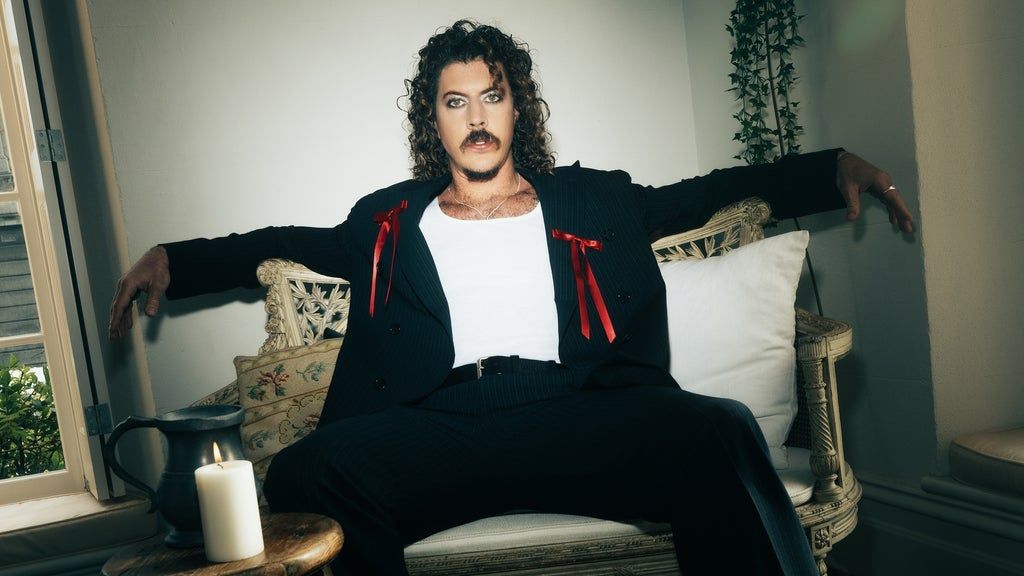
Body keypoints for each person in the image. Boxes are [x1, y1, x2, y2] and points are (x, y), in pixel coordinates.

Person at [109, 20, 913, 576]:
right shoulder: (387, 221)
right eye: (455, 102)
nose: (476, 118)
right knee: (308, 473)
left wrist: (829, 168)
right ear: (434, 121)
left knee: (720, 429)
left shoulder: (594, 200)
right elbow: (280, 242)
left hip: (579, 413)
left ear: (516, 106)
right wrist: (173, 260)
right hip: (439, 427)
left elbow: (708, 192)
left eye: (490, 96)